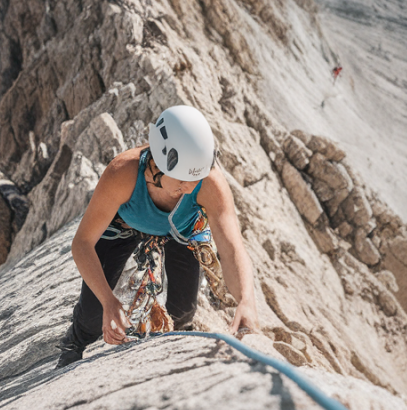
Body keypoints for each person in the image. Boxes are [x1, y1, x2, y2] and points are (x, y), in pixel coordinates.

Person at [57, 105, 259, 367]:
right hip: (125, 225)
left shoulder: (208, 182)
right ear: (159, 163)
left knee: (184, 309)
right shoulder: (122, 173)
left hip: (181, 229)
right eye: (183, 179)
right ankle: (76, 339)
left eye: (195, 179)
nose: (189, 189)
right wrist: (108, 300)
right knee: (93, 315)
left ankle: (176, 333)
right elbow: (82, 243)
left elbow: (232, 249)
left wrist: (246, 300)